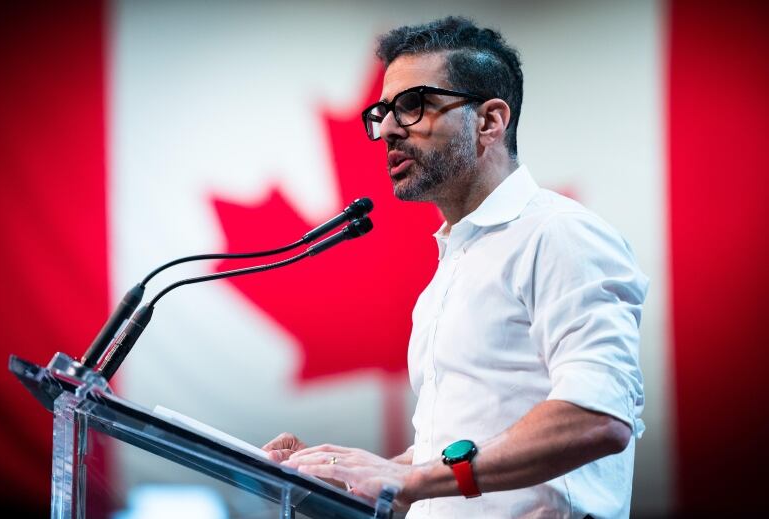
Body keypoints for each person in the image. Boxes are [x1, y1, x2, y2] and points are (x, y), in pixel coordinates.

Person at [264, 16, 648, 518]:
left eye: (412, 105)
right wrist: (345, 474)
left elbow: (597, 417)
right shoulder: (455, 264)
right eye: (382, 111)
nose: (386, 130)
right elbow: (449, 455)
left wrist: (411, 477)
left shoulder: (560, 235)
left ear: (489, 121)